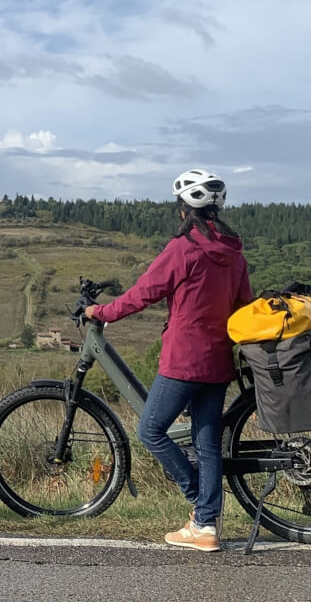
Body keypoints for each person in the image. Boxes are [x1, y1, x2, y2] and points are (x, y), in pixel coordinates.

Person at [83, 169, 252, 552]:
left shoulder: (183, 249)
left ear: (182, 211)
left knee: (150, 430)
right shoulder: (233, 252)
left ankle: (200, 505)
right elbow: (243, 305)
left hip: (184, 358)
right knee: (206, 441)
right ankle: (207, 525)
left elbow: (144, 293)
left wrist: (102, 312)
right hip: (219, 358)